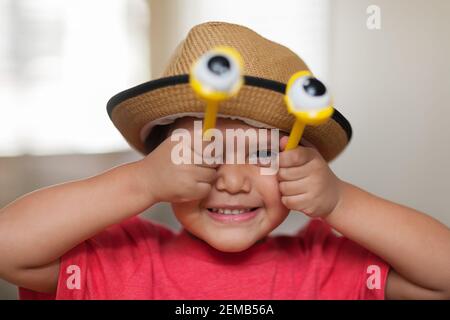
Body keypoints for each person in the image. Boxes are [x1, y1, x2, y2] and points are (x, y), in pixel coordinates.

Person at [0, 22, 449, 300]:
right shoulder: (120, 259)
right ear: (162, 165)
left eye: (263, 154)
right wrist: (140, 183)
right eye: (205, 151)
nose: (233, 180)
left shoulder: (328, 266)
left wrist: (340, 202)